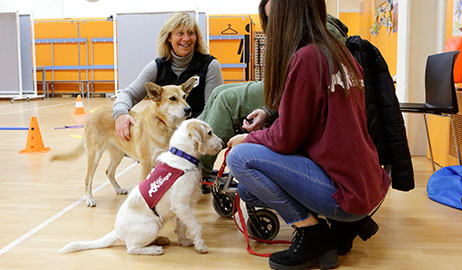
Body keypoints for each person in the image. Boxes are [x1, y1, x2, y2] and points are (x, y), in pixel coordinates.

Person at [225, 0, 391, 269]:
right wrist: (271, 116)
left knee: (240, 158)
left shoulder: (306, 57)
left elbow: (285, 139)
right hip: (364, 185)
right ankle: (331, 227)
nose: (271, 29)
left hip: (345, 193)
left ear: (291, 18)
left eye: (274, 20)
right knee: (248, 190)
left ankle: (313, 234)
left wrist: (248, 138)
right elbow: (316, 125)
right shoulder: (339, 52)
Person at [198, 11, 350, 181]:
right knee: (220, 92)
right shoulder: (307, 25)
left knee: (226, 100)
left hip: (289, 86)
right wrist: (267, 109)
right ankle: (189, 156)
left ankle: (198, 170)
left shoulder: (320, 32)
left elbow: (305, 78)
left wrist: (268, 110)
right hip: (283, 83)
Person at [113, 12, 224, 140]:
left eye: (191, 33)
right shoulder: (157, 66)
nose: (186, 38)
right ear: (168, 38)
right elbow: (128, 94)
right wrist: (120, 114)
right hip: (165, 134)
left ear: (196, 37)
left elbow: (212, 110)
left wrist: (186, 130)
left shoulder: (210, 65)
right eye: (180, 33)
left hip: (196, 134)